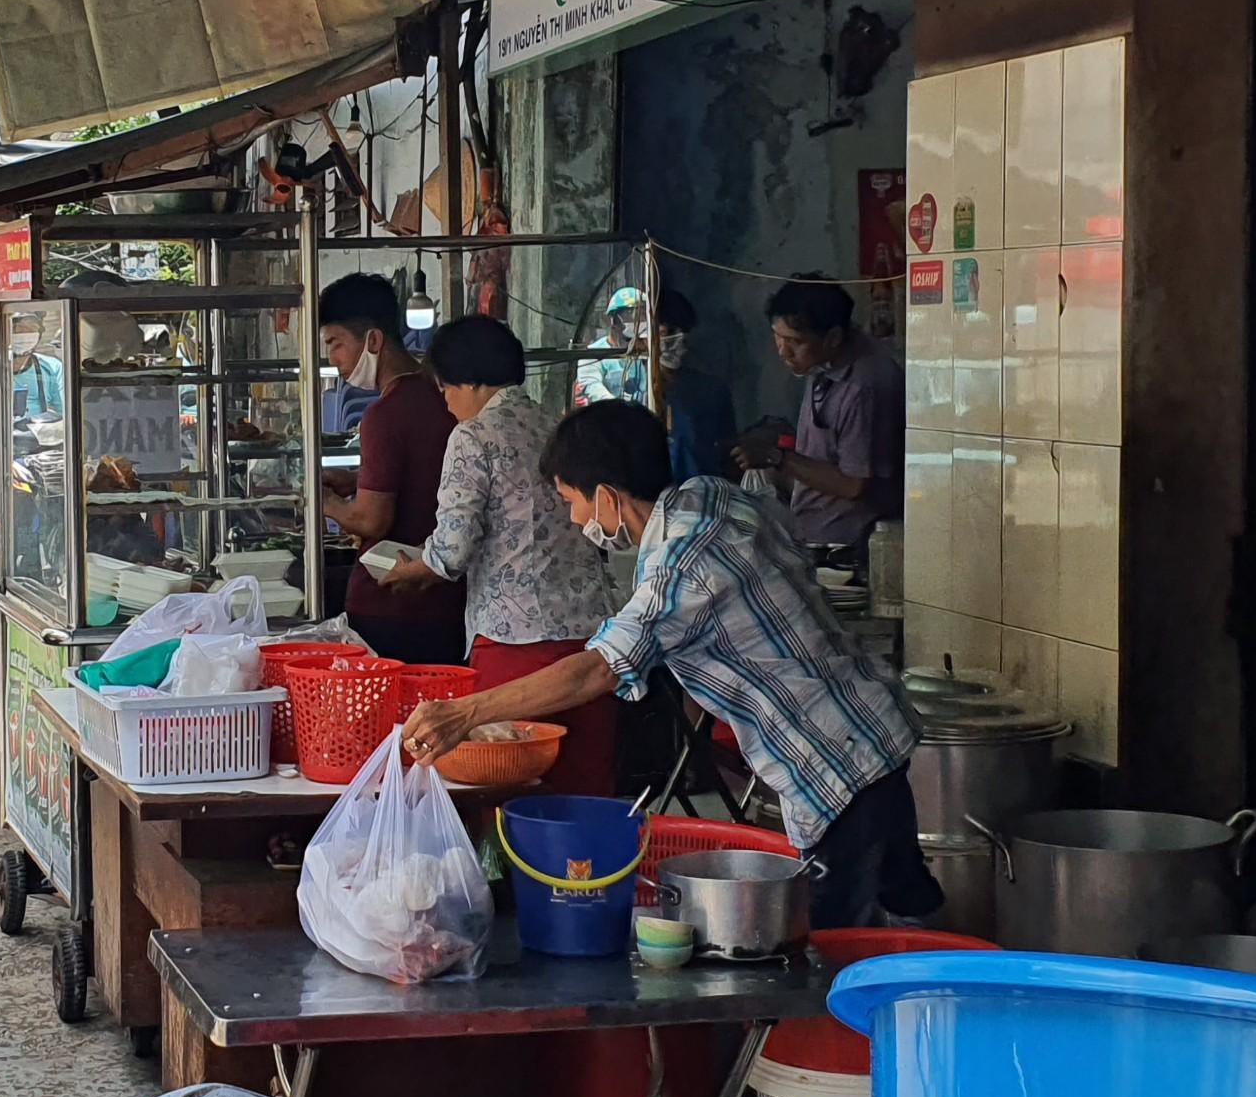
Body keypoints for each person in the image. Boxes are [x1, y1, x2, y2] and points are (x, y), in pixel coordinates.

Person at [402, 399, 940, 928]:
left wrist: (465, 713)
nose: (574, 518)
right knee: (905, 905)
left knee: (832, 943)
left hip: (834, 763)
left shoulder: (683, 565)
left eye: (572, 502)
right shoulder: (710, 496)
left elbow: (596, 669)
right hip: (870, 727)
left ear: (607, 497)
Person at [380, 316, 620, 790]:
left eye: (446, 390)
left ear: (469, 381)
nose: (447, 404)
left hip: (514, 642)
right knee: (584, 786)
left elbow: (451, 550)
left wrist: (411, 569)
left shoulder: (473, 436)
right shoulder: (560, 426)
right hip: (593, 642)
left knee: (510, 789)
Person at [317, 273, 464, 664]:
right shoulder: (443, 394)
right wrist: (355, 481)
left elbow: (371, 521)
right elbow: (423, 475)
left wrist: (323, 501)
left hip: (392, 599)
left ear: (374, 340)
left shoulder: (385, 414)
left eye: (336, 344)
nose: (333, 359)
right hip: (448, 602)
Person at [735, 276, 903, 552]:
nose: (783, 352)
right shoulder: (824, 362)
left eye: (794, 341)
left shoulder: (863, 385)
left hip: (845, 548)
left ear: (833, 337)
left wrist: (777, 457)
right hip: (815, 533)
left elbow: (853, 484)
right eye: (777, 337)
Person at [650, 288, 737, 482]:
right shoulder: (630, 387)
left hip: (702, 492)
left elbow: (729, 455)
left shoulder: (712, 391)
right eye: (668, 332)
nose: (679, 340)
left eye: (684, 331)